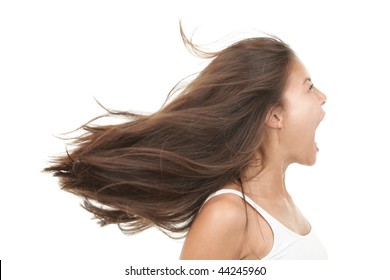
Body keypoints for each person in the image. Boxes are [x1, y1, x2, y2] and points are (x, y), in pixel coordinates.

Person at [44, 25, 328, 260]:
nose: (322, 97)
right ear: (275, 115)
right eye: (309, 86)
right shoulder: (228, 214)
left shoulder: (285, 207)